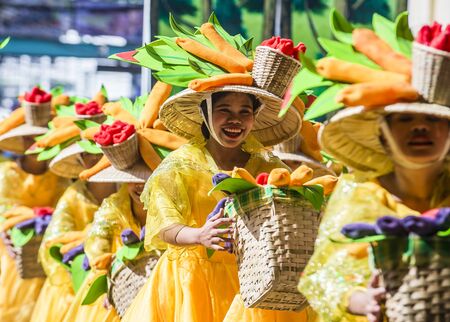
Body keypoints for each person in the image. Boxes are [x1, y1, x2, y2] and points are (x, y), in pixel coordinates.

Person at [122, 82, 302, 322]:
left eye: (244, 112)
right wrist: (198, 235)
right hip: (192, 282)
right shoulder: (178, 165)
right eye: (224, 110)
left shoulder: (270, 167)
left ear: (254, 116)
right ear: (205, 113)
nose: (235, 119)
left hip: (254, 280)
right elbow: (163, 227)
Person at [298, 102, 450, 322]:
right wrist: (363, 300)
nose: (420, 127)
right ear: (383, 136)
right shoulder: (357, 195)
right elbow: (320, 277)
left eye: (433, 119)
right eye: (405, 119)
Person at [30, 143, 117, 322]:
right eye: (86, 154)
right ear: (79, 160)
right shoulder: (73, 195)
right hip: (75, 276)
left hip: (114, 269)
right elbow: (53, 241)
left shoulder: (124, 188)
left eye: (99, 152)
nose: (93, 158)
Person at [0, 119, 69, 322]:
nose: (35, 142)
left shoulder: (58, 175)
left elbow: (63, 210)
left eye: (40, 137)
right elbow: (5, 210)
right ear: (21, 140)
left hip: (48, 250)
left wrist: (40, 216)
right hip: (12, 252)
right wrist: (38, 215)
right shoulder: (7, 173)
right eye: (29, 137)